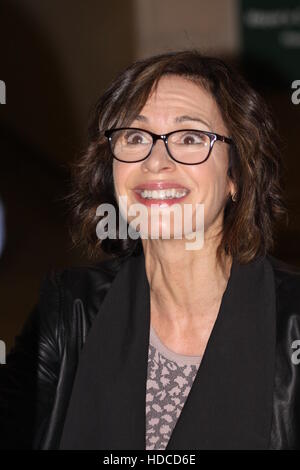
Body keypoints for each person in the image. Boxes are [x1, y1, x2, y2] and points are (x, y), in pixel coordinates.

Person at [1, 49, 300, 450]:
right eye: (135, 136)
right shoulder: (68, 309)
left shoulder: (292, 321)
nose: (155, 161)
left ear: (236, 175)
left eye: (190, 137)